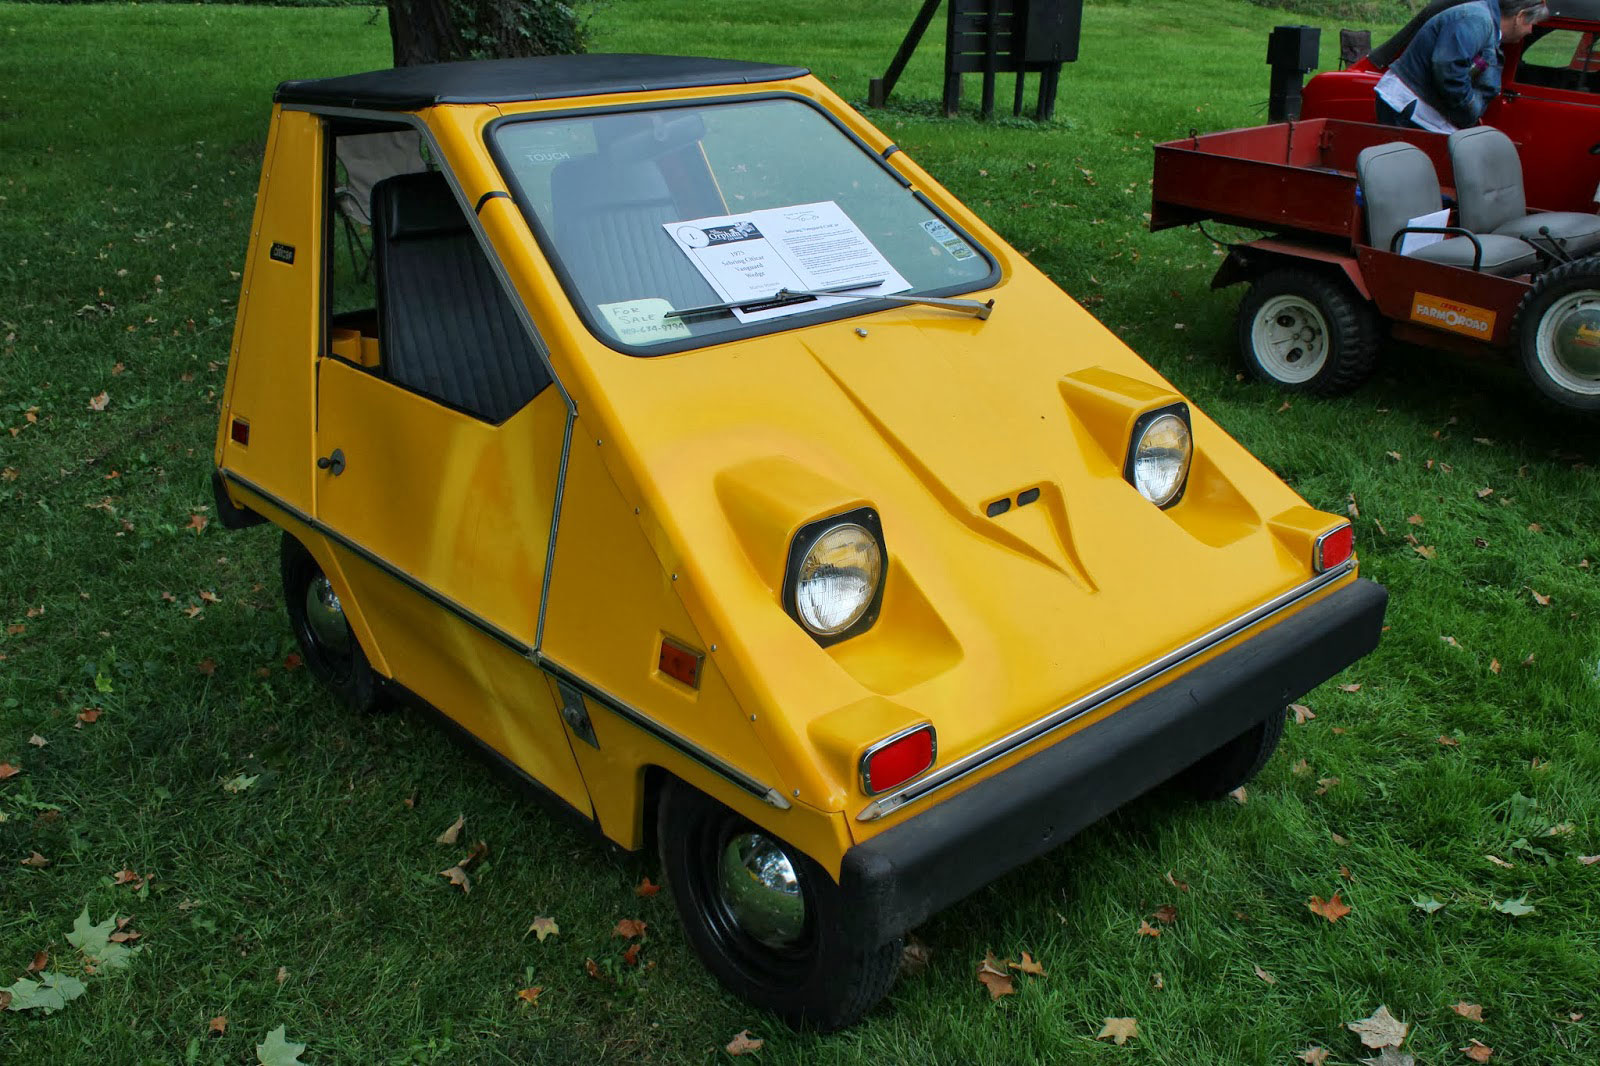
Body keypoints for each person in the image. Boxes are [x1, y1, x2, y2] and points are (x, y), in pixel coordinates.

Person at [1374, 0, 1550, 132]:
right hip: (1410, 108)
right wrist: (1468, 107)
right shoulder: (1477, 20)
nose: (1530, 30)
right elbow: (1447, 66)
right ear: (1520, 17)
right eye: (1531, 23)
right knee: (1405, 175)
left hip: (1419, 109)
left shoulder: (1484, 22)